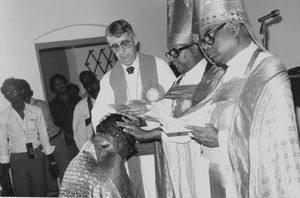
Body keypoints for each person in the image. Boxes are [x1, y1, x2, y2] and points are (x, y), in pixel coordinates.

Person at [184, 0, 300, 197]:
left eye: (210, 37)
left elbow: (274, 138)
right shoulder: (220, 74)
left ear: (234, 27)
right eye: (203, 42)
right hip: (214, 176)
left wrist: (220, 138)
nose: (206, 48)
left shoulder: (266, 69)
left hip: (243, 182)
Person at [91, 19, 176, 198]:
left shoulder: (159, 65)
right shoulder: (108, 79)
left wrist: (148, 112)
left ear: (134, 39)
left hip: (158, 148)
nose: (121, 52)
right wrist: (116, 119)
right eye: (115, 47)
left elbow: (177, 104)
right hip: (128, 156)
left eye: (125, 43)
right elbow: (98, 117)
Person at [0, 78, 58, 196]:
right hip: (17, 158)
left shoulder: (36, 111)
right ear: (5, 96)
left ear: (21, 91)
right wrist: (5, 168)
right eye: (7, 92)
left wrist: (52, 162)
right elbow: (3, 143)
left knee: (40, 189)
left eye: (14, 91)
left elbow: (43, 137)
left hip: (36, 156)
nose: (11, 95)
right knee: (22, 192)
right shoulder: (3, 116)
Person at [59, 113, 136, 197]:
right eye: (128, 148)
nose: (126, 155)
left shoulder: (94, 147)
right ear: (120, 140)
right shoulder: (102, 167)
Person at [19, 79, 70, 196]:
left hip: (54, 140)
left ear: (26, 92)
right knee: (49, 177)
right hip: (40, 145)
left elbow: (44, 129)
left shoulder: (39, 105)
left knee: (64, 171)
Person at [49, 74, 79, 160]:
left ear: (66, 83)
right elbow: (56, 123)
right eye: (57, 85)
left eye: (61, 83)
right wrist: (69, 135)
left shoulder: (76, 99)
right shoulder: (53, 104)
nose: (60, 86)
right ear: (54, 89)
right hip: (67, 139)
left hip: (82, 135)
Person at [73, 72, 100, 149]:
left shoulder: (110, 98)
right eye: (84, 81)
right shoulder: (81, 106)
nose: (87, 82)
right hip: (92, 147)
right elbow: (79, 134)